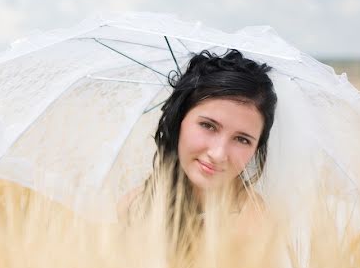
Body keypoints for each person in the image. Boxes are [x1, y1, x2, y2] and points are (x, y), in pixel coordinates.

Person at [118, 49, 278, 238]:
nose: (218, 154)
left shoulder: (256, 227)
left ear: (256, 148)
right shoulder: (134, 206)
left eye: (242, 139)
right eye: (208, 126)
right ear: (178, 120)